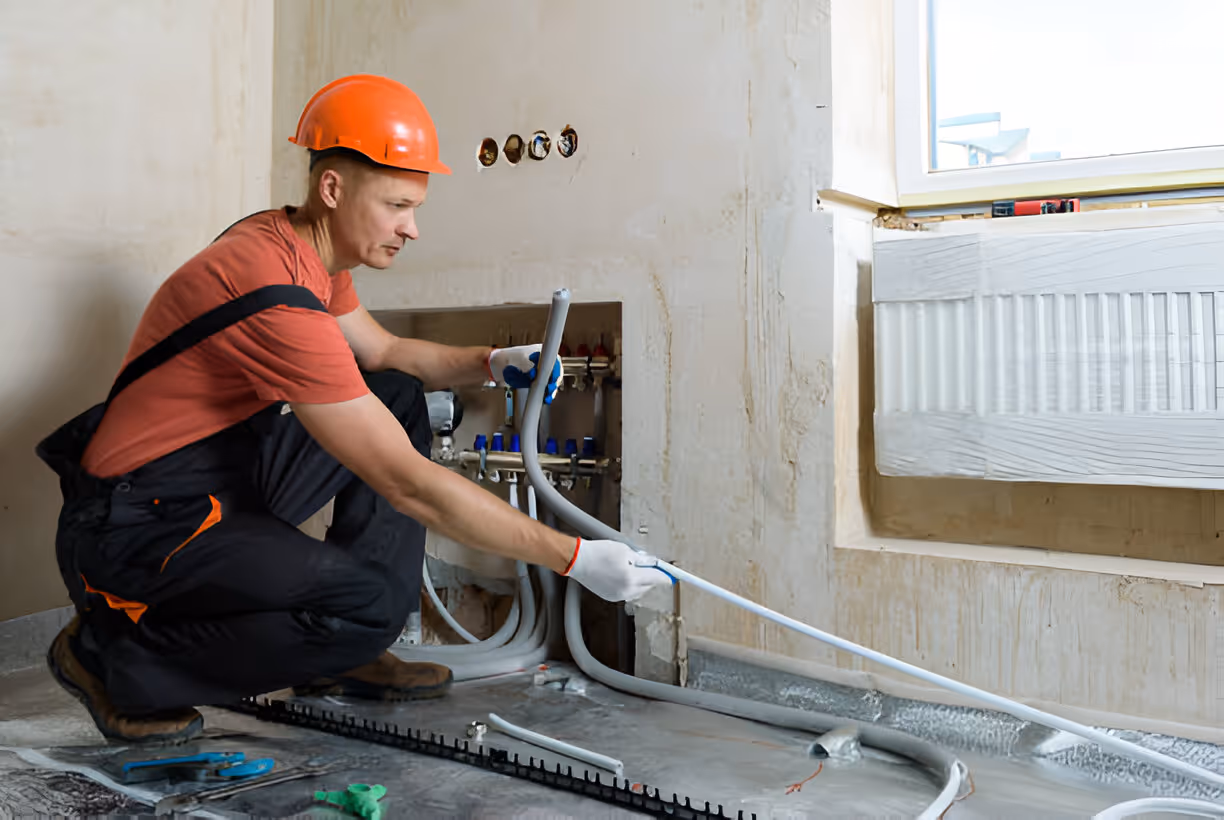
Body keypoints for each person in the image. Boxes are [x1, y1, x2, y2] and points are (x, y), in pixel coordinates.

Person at [36, 74, 669, 745]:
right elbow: (407, 485)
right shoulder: (275, 293)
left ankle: (348, 653)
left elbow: (386, 350)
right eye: (398, 204)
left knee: (392, 396)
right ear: (333, 189)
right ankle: (114, 662)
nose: (413, 228)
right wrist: (575, 557)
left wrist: (489, 362)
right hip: (135, 523)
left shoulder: (302, 249)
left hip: (207, 475)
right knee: (369, 603)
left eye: (415, 206)